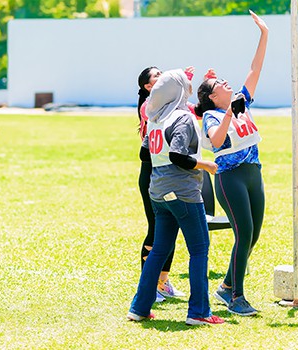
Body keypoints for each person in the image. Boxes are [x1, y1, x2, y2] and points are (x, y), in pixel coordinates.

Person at [128, 69, 225, 326]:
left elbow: (144, 155)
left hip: (158, 193)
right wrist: (205, 165)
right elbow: (178, 156)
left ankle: (139, 308)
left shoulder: (157, 119)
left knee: (160, 250)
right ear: (179, 90)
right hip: (182, 193)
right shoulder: (181, 118)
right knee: (199, 250)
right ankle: (199, 312)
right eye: (186, 83)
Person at [194, 10, 268, 317]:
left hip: (253, 174)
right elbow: (216, 138)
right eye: (219, 84)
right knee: (244, 232)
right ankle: (237, 297)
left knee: (254, 234)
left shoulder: (241, 101)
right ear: (212, 97)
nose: (227, 83)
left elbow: (255, 68)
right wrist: (228, 113)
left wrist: (264, 34)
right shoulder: (212, 115)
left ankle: (225, 287)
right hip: (230, 178)